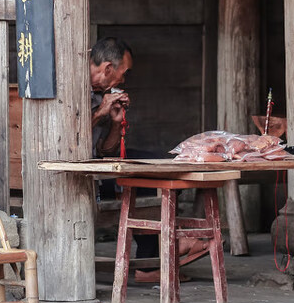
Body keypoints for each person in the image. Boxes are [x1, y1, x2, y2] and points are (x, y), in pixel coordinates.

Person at [88, 37, 208, 283]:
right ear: (108, 69)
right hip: (84, 175)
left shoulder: (102, 94)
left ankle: (154, 257)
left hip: (101, 164)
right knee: (147, 180)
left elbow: (107, 150)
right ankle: (155, 258)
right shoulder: (70, 87)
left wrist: (114, 122)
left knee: (167, 166)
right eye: (124, 73)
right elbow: (67, 137)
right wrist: (100, 111)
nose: (123, 80)